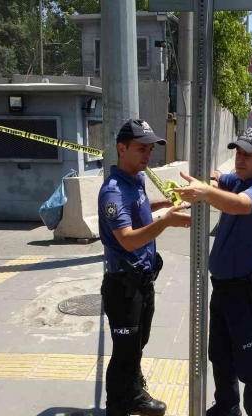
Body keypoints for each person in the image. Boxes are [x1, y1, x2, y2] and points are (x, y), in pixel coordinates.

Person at [174, 128, 252, 416]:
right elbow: (216, 178)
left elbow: (238, 206)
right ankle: (226, 408)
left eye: (248, 154)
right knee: (220, 356)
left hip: (248, 292)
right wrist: (202, 177)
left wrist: (205, 192)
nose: (240, 158)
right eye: (237, 152)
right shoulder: (240, 180)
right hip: (224, 288)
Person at [98, 119, 191, 416]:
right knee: (124, 353)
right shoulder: (113, 191)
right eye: (141, 148)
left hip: (141, 281)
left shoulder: (134, 179)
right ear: (121, 148)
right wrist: (165, 222)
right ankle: (117, 408)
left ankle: (134, 396)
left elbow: (138, 208)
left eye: (150, 149)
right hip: (123, 285)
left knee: (137, 345)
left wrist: (164, 204)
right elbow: (126, 240)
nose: (147, 155)